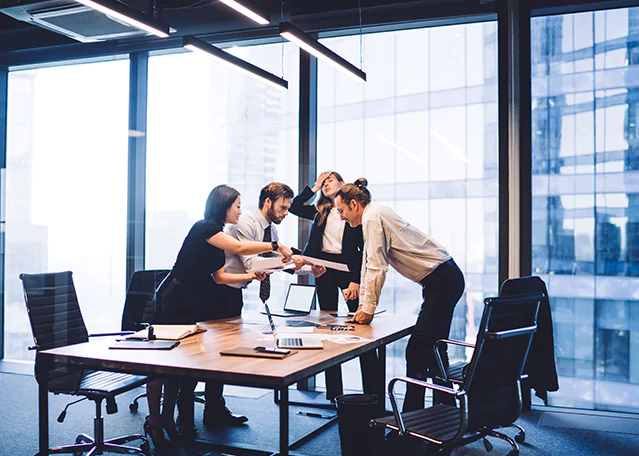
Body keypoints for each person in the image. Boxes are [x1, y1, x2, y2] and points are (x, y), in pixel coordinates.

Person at [145, 185, 293, 447]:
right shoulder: (205, 228)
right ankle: (155, 421)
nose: (240, 211)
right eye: (237, 205)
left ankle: (167, 418)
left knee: (180, 367)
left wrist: (251, 276)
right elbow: (239, 246)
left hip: (192, 302)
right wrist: (276, 245)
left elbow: (220, 277)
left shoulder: (218, 235)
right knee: (162, 364)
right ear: (223, 205)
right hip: (173, 300)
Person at [335, 178, 465, 412]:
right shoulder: (373, 215)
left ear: (354, 204)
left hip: (442, 280)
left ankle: (413, 419)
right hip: (444, 278)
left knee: (417, 350)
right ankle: (445, 412)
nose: (341, 217)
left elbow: (377, 266)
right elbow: (367, 265)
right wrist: (363, 306)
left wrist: (368, 309)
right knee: (434, 348)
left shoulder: (372, 217)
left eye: (341, 210)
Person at [289, 171, 378, 401]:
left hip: (348, 271)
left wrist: (356, 280)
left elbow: (363, 251)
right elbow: (295, 207)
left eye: (330, 180)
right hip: (324, 270)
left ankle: (373, 393)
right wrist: (315, 187)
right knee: (327, 329)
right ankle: (334, 395)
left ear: (342, 184)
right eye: (323, 181)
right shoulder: (320, 211)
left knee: (361, 329)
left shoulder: (351, 212)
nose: (326, 183)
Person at [225, 182, 326, 302]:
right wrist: (289, 260)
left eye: (288, 208)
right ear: (268, 202)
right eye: (283, 207)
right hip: (221, 290)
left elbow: (277, 260)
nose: (286, 213)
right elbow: (251, 264)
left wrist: (311, 269)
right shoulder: (246, 223)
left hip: (236, 292)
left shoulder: (271, 229)